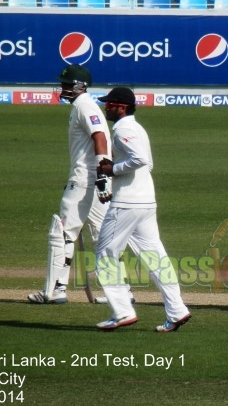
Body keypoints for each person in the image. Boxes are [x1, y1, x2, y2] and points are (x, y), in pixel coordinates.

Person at [28, 64, 131, 304]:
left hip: (85, 180)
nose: (62, 89)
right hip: (93, 181)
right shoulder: (82, 106)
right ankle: (121, 292)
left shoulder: (84, 105)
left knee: (62, 233)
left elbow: (100, 136)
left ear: (78, 86)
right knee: (104, 236)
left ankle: (54, 291)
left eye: (66, 85)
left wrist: (102, 174)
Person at [94, 87, 191, 332]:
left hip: (128, 203)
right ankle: (177, 310)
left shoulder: (124, 128)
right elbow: (147, 162)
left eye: (110, 104)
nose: (107, 107)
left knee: (105, 255)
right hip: (146, 201)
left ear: (122, 107)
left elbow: (140, 160)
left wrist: (112, 170)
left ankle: (122, 311)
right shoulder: (137, 128)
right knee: (156, 258)